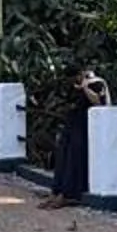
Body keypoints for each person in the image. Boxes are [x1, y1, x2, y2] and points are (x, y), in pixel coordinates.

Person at [48, 70, 111, 202]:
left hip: (84, 124)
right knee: (63, 156)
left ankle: (68, 193)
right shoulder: (74, 87)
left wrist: (85, 87)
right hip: (73, 122)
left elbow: (99, 102)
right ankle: (57, 191)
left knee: (75, 158)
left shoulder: (97, 83)